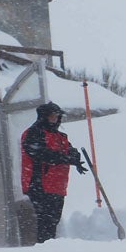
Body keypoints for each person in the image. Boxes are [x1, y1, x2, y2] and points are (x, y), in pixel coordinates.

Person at [21, 102, 86, 243]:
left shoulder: (60, 136)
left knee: (53, 220)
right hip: (39, 184)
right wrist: (65, 159)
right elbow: (41, 154)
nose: (55, 119)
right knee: (45, 221)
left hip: (57, 186)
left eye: (57, 116)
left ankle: (50, 247)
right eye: (52, 116)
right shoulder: (34, 133)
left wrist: (75, 159)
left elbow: (69, 150)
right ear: (44, 117)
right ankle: (44, 249)